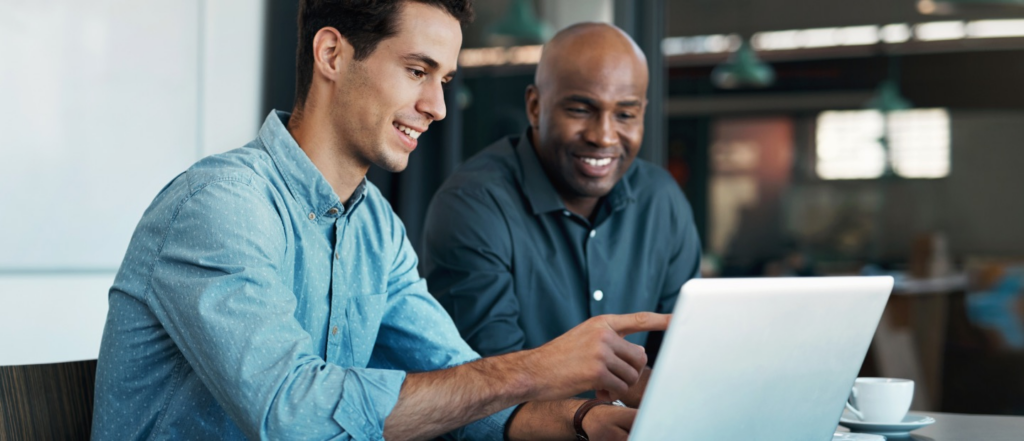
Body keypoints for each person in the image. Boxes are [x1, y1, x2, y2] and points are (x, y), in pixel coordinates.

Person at [91, 2, 667, 440]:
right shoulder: (221, 205)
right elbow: (292, 413)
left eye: (443, 80)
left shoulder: (375, 229)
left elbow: (459, 386)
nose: (438, 107)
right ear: (332, 55)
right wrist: (537, 369)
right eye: (417, 70)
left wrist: (587, 418)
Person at [422, 22, 702, 403]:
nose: (604, 136)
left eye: (625, 114)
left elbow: (686, 356)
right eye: (581, 109)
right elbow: (493, 384)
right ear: (535, 107)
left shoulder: (661, 199)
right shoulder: (473, 204)